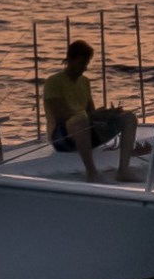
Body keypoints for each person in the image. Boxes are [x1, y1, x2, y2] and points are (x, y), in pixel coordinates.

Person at [42, 40, 142, 182]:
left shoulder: (85, 82)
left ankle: (123, 170)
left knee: (128, 117)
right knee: (81, 121)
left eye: (86, 64)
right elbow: (60, 116)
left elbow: (90, 112)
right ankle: (91, 172)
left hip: (84, 129)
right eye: (81, 64)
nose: (84, 68)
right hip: (62, 137)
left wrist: (106, 114)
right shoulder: (53, 82)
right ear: (69, 60)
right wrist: (89, 116)